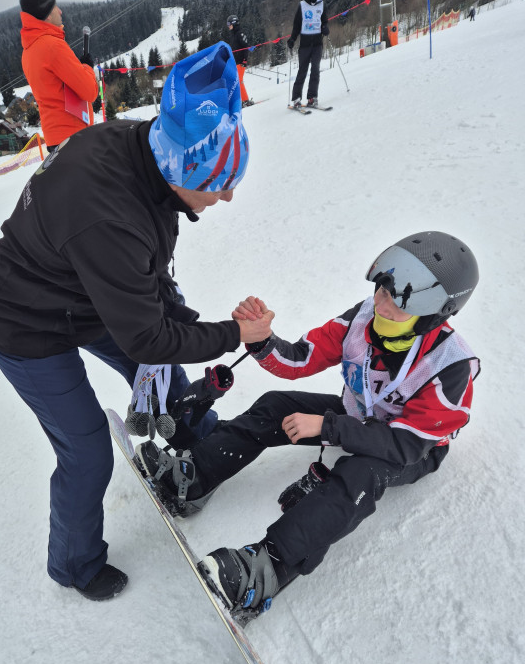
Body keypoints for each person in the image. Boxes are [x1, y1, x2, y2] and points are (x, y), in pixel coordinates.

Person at [0, 41, 271, 602]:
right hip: (23, 323)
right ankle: (75, 564)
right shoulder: (110, 215)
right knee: (87, 451)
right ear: (186, 170)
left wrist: (188, 319)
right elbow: (148, 334)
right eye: (219, 184)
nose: (227, 197)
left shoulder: (148, 154)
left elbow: (149, 278)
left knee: (163, 371)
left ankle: (195, 445)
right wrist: (234, 336)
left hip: (83, 291)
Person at [138, 232, 481, 621]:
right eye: (381, 290)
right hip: (359, 415)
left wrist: (330, 427)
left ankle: (267, 568)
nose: (382, 305)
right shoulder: (363, 317)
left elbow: (406, 445)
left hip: (411, 447)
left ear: (435, 312)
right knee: (275, 406)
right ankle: (195, 476)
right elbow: (302, 358)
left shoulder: (451, 367)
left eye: (398, 301)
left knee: (361, 472)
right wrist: (262, 339)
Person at [19, 0, 99, 151]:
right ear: (47, 13)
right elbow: (90, 91)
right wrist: (87, 67)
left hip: (55, 139)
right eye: (55, 7)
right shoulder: (52, 45)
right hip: (75, 138)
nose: (60, 11)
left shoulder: (28, 51)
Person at [287, 0, 329, 108]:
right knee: (302, 71)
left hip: (317, 44)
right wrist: (292, 39)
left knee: (315, 70)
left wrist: (325, 28)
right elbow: (296, 25)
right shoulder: (302, 5)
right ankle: (296, 98)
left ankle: (312, 97)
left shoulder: (322, 4)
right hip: (305, 44)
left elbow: (324, 21)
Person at [227, 14, 253, 107]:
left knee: (239, 81)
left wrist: (244, 60)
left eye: (229, 24)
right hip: (236, 62)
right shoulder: (233, 35)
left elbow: (245, 47)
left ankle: (245, 100)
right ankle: (242, 100)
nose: (228, 26)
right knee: (236, 81)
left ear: (234, 23)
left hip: (241, 62)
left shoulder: (240, 34)